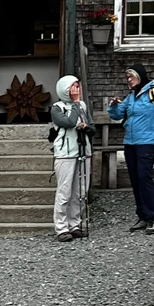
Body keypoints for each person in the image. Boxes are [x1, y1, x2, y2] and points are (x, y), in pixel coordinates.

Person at [107, 67, 154, 232]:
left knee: (144, 178)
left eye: (131, 77)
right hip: (130, 142)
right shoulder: (132, 96)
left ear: (140, 76)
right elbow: (116, 115)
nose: (129, 80)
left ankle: (153, 218)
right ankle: (142, 216)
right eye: (127, 77)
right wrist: (113, 106)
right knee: (135, 179)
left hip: (147, 142)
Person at [48, 74, 93, 240]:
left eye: (78, 86)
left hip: (83, 151)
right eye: (74, 86)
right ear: (65, 89)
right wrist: (75, 104)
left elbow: (93, 127)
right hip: (65, 154)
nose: (77, 89)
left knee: (80, 191)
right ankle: (61, 228)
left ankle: (75, 224)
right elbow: (67, 122)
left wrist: (86, 127)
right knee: (64, 190)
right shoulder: (56, 108)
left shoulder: (82, 106)